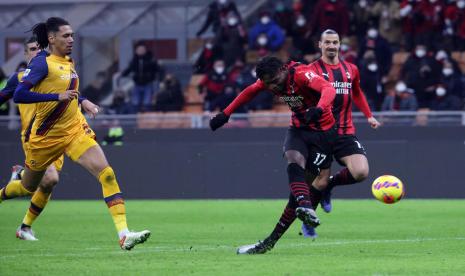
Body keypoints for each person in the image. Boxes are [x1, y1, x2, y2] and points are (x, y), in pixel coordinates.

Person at [1, 17, 150, 250]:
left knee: (107, 174)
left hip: (73, 131)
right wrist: (56, 97)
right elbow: (19, 95)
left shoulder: (68, 61)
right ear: (52, 39)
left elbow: (67, 89)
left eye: (72, 35)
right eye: (66, 35)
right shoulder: (40, 65)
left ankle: (124, 234)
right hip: (44, 138)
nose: (71, 39)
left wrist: (84, 100)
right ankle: (12, 190)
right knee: (28, 187)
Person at [210, 56, 338, 254]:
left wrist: (319, 109)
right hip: (298, 129)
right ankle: (306, 206)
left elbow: (329, 89)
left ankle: (269, 242)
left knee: (296, 195)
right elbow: (249, 91)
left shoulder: (302, 74)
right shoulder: (269, 80)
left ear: (283, 69)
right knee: (293, 159)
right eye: (269, 84)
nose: (274, 87)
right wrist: (225, 114)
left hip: (323, 134)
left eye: (275, 81)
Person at [302, 29, 381, 238]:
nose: (331, 46)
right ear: (320, 44)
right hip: (321, 133)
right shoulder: (311, 70)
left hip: (345, 132)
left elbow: (357, 92)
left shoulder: (351, 69)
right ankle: (308, 222)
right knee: (319, 180)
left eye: (335, 42)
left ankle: (331, 186)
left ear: (340, 44)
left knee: (361, 172)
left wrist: (369, 115)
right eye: (327, 42)